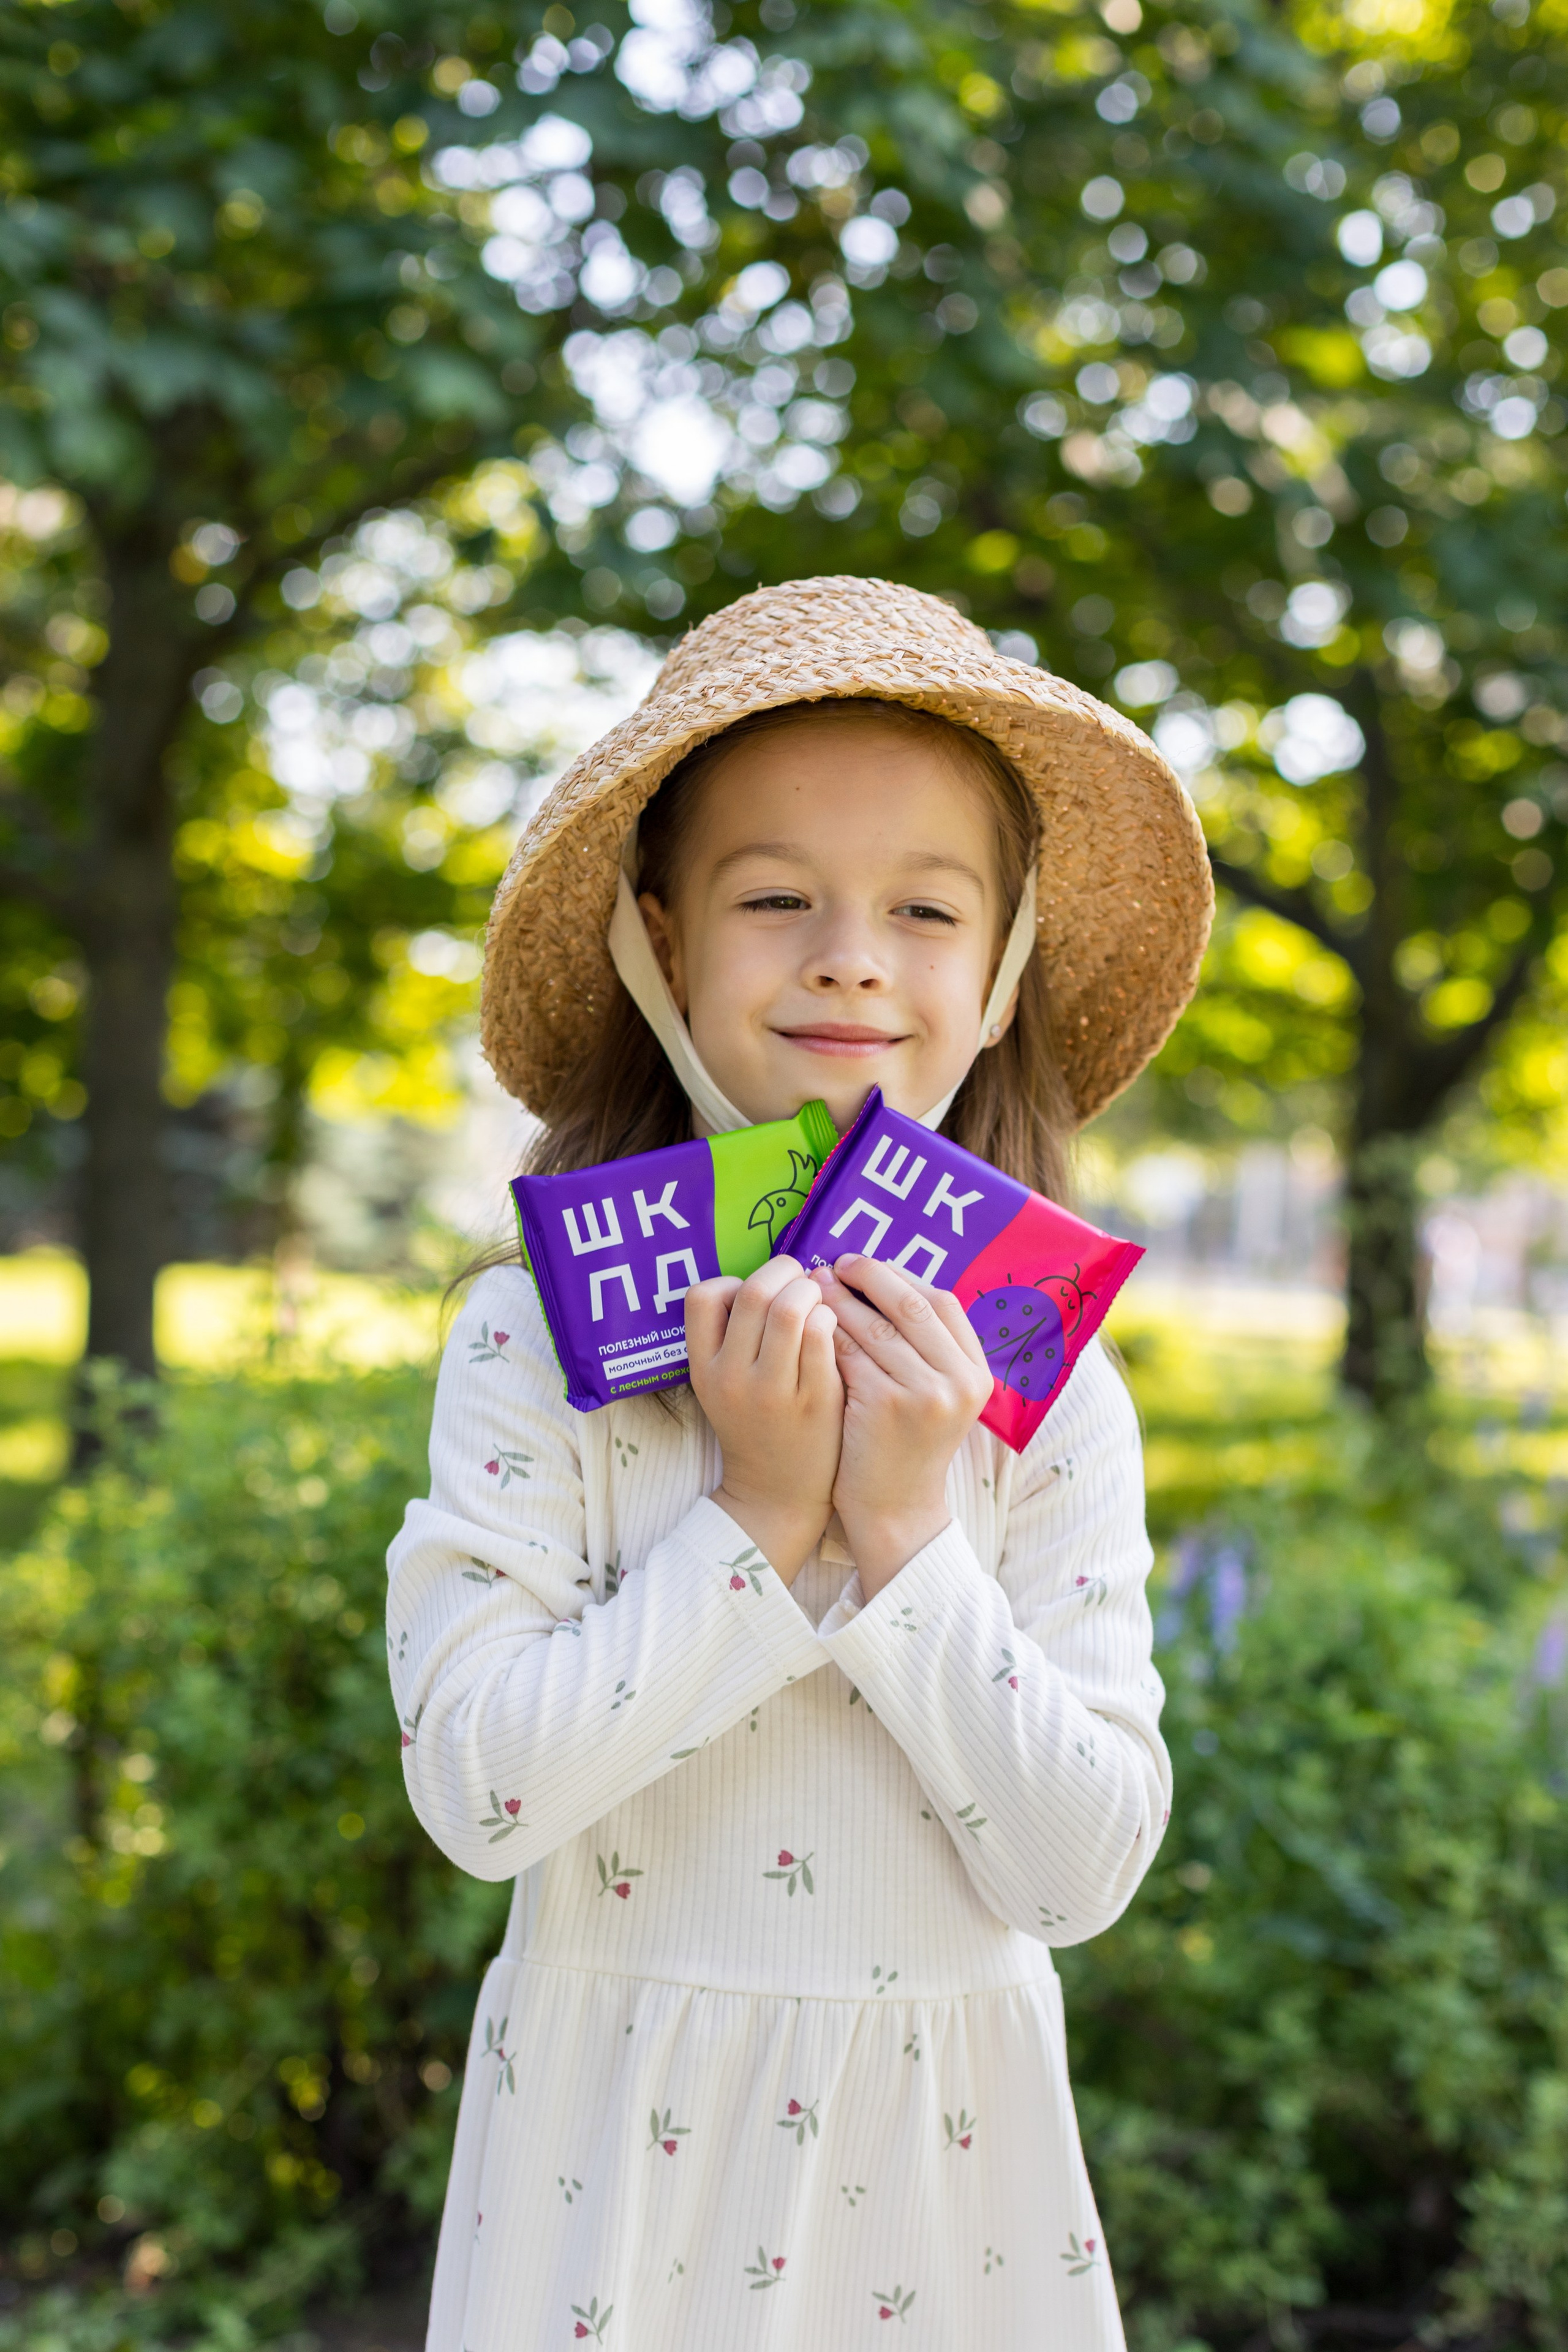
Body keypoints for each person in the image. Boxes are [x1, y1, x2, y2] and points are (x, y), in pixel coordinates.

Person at [387, 575, 1212, 2351]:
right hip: (611, 2169)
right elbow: (480, 1798)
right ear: (661, 943)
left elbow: (1080, 1874)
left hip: (943, 2173)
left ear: (997, 978)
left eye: (925, 908)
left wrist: (909, 1534)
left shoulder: (1044, 1384)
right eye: (778, 899)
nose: (851, 953)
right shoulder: (528, 1344)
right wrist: (756, 1519)